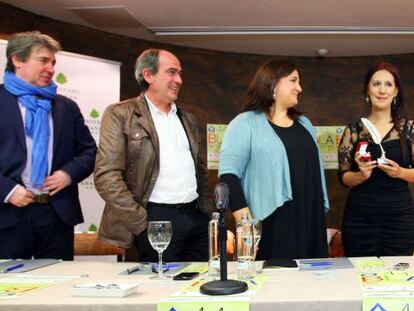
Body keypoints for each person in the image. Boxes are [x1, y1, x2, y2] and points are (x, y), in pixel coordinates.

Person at [94, 49, 214, 262]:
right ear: (148, 75)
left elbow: (200, 171)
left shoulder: (188, 119)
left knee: (198, 288)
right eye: (171, 72)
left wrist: (206, 213)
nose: (179, 80)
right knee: (160, 289)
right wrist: (140, 222)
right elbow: (106, 176)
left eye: (180, 73)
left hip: (195, 219)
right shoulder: (121, 114)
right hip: (154, 219)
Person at [219, 60, 329, 260]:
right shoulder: (244, 123)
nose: (300, 88)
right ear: (272, 84)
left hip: (310, 220)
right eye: (293, 81)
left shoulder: (305, 124)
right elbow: (228, 177)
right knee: (276, 286)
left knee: (314, 285)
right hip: (272, 224)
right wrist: (246, 226)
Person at [0, 31, 97, 260]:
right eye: (43, 60)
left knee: (58, 286)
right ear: (17, 60)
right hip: (8, 214)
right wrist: (8, 191)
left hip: (56, 214)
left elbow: (89, 152)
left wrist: (67, 174)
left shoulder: (66, 107)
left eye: (53, 62)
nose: (51, 68)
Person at [338, 62, 414, 257]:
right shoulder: (354, 130)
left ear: (396, 91)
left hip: (399, 218)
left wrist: (401, 173)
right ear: (367, 90)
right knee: (358, 275)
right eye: (376, 84)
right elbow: (343, 177)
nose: (382, 90)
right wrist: (361, 175)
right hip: (360, 218)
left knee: (397, 277)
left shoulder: (409, 129)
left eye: (388, 84)